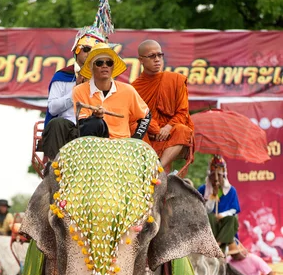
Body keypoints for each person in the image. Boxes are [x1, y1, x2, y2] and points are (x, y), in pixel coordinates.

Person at [42, 26, 107, 160]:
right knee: (57, 123)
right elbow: (53, 109)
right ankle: (55, 168)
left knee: (94, 123)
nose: (90, 54)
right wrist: (76, 90)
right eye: (86, 49)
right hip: (67, 129)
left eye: (95, 51)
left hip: (93, 129)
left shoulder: (106, 79)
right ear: (76, 51)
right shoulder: (63, 76)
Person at [132, 39, 194, 168]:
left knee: (183, 130)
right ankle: (145, 165)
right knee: (134, 128)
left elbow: (183, 112)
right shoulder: (133, 88)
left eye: (160, 55)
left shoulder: (175, 80)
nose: (157, 59)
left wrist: (167, 127)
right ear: (141, 60)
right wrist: (154, 128)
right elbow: (137, 115)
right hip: (148, 133)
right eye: (152, 56)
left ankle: (158, 168)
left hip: (170, 131)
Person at [73, 42, 150, 140]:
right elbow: (83, 125)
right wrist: (94, 116)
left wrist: (136, 139)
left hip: (121, 146)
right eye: (99, 63)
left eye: (109, 63)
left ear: (112, 67)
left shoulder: (128, 90)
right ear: (91, 67)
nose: (105, 66)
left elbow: (146, 115)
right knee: (94, 122)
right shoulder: (79, 91)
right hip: (92, 145)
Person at [198, 156, 240, 249]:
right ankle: (211, 242)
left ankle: (218, 243)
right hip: (211, 224)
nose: (216, 179)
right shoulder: (202, 189)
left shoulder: (231, 190)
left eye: (219, 175)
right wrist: (212, 196)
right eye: (213, 176)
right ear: (209, 176)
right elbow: (203, 210)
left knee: (232, 220)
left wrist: (222, 215)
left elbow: (234, 209)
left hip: (224, 224)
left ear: (223, 176)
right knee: (209, 217)